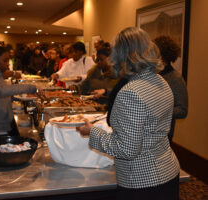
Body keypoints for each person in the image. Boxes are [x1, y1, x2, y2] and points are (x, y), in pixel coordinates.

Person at [77, 27, 180, 200]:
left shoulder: (130, 92)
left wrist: (92, 131)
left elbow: (127, 149)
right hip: (168, 169)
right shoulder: (161, 81)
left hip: (142, 181)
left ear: (122, 55)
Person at [154, 35, 188, 143]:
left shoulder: (175, 78)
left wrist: (158, 111)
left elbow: (182, 110)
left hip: (163, 135)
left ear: (162, 56)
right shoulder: (153, 74)